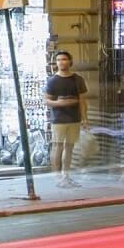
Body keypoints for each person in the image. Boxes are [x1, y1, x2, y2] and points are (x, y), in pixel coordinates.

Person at [45, 48, 87, 181]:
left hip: (74, 118)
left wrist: (85, 118)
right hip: (58, 119)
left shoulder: (78, 79)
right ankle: (56, 176)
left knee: (69, 147)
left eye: (64, 59)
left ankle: (66, 175)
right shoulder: (52, 81)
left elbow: (82, 101)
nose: (61, 62)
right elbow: (47, 100)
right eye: (58, 60)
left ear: (70, 61)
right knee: (57, 147)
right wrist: (59, 103)